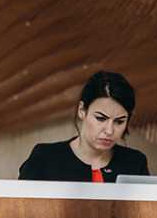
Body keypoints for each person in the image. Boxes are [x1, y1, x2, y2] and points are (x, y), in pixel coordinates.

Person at [19, 70, 150, 182]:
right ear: (82, 110)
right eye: (100, 118)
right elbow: (20, 209)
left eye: (119, 121)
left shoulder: (135, 163)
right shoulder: (45, 158)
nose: (109, 131)